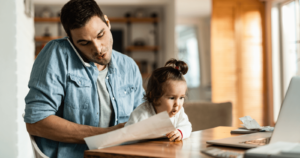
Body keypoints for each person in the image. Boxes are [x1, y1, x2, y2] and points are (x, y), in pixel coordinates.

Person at [23, 0, 145, 158]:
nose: (98, 48)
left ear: (107, 22)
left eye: (100, 35)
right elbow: (36, 121)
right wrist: (106, 135)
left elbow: (143, 114)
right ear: (71, 41)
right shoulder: (57, 54)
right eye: (84, 43)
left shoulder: (129, 66)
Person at [125, 59, 192, 142]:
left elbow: (187, 126)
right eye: (172, 98)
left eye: (181, 98)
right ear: (154, 97)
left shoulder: (179, 112)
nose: (177, 104)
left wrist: (180, 132)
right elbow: (126, 138)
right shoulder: (141, 115)